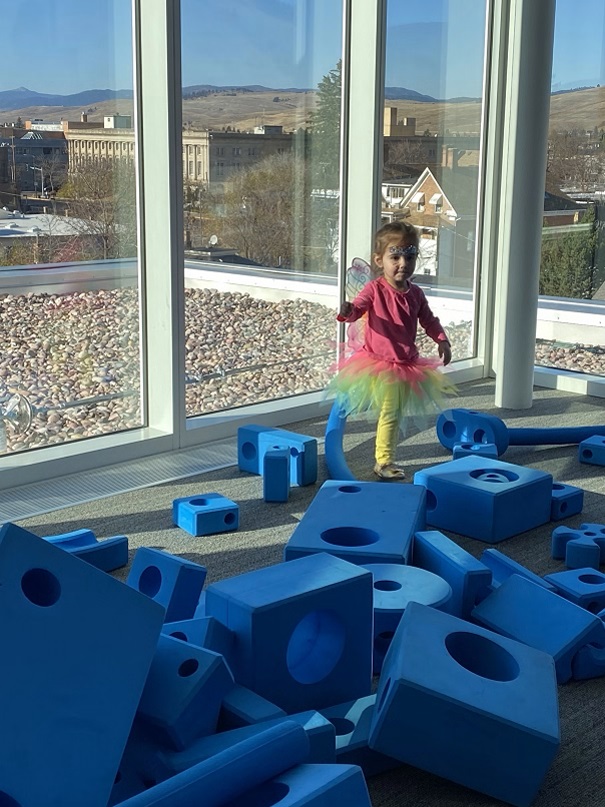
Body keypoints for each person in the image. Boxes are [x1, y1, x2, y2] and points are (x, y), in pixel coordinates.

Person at [329, 220, 454, 480]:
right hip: (376, 361)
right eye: (394, 256)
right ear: (379, 260)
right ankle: (383, 458)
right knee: (383, 410)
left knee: (391, 414)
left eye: (409, 257)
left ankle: (383, 460)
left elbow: (428, 319)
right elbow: (359, 308)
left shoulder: (416, 293)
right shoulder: (374, 289)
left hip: (405, 364)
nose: (402, 264)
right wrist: (348, 311)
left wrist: (442, 339)